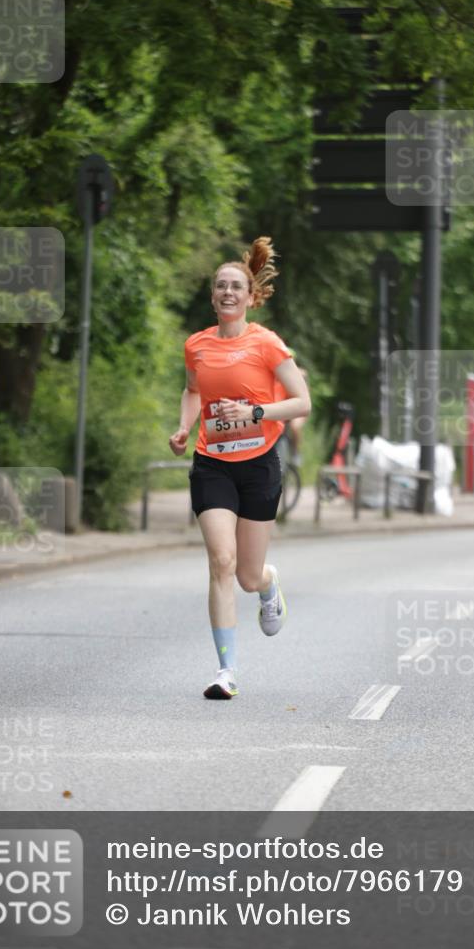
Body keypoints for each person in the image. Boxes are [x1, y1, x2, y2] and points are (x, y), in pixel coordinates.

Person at [168, 237, 311, 699]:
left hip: (259, 465)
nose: (228, 293)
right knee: (221, 562)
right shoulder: (197, 346)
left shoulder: (266, 344)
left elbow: (301, 401)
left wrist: (255, 414)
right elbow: (193, 391)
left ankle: (269, 585)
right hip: (212, 464)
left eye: (236, 287)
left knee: (248, 575)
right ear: (212, 297)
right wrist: (184, 427)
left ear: (250, 297)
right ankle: (226, 672)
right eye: (220, 287)